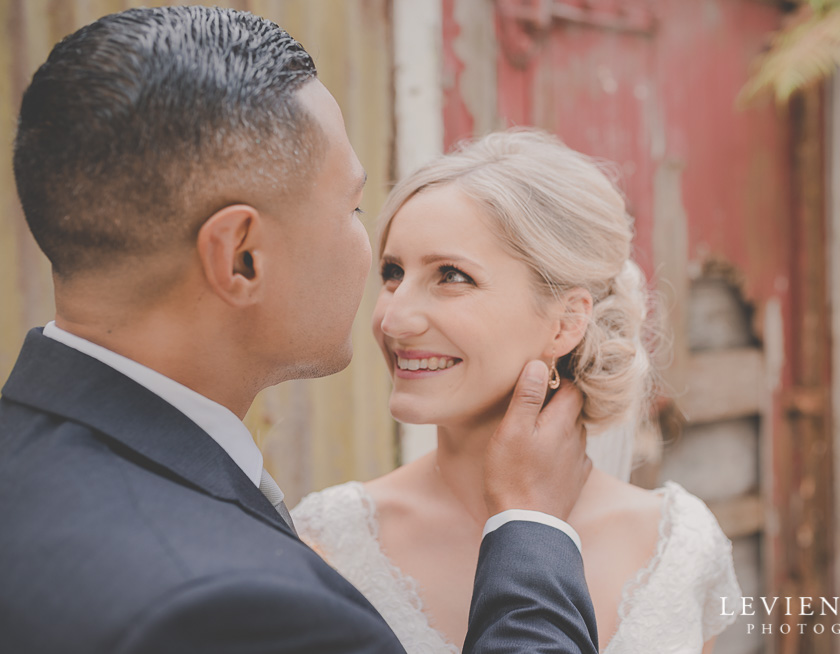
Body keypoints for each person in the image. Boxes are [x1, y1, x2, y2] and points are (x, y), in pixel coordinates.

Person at [0, 7, 600, 653]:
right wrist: (531, 523)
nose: (390, 309)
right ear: (241, 257)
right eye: (352, 207)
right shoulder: (235, 606)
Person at [294, 129, 742, 653]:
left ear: (565, 322)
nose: (392, 318)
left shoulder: (679, 546)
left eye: (451, 276)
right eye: (393, 273)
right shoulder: (328, 544)